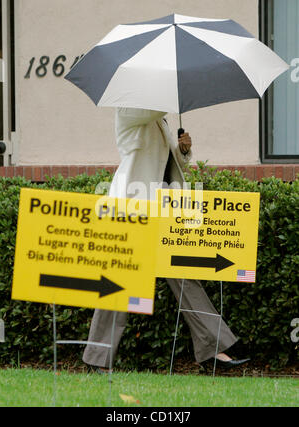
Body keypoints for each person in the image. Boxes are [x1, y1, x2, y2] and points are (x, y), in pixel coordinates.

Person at [83, 108, 249, 372]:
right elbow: (149, 116)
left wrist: (183, 150)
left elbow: (168, 164)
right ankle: (98, 358)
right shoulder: (130, 111)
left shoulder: (159, 119)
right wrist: (176, 93)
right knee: (122, 281)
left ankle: (212, 351)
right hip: (133, 208)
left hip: (164, 209)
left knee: (184, 276)